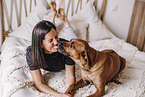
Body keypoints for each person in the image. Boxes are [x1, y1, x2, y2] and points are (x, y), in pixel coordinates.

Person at [26, 2, 78, 97]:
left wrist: (68, 93)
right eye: (51, 40)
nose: (56, 42)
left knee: (76, 42)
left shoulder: (66, 49)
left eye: (56, 37)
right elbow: (39, 83)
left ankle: (65, 21)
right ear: (41, 44)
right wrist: (59, 95)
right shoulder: (32, 53)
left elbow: (70, 76)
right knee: (48, 30)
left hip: (68, 45)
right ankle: (53, 14)